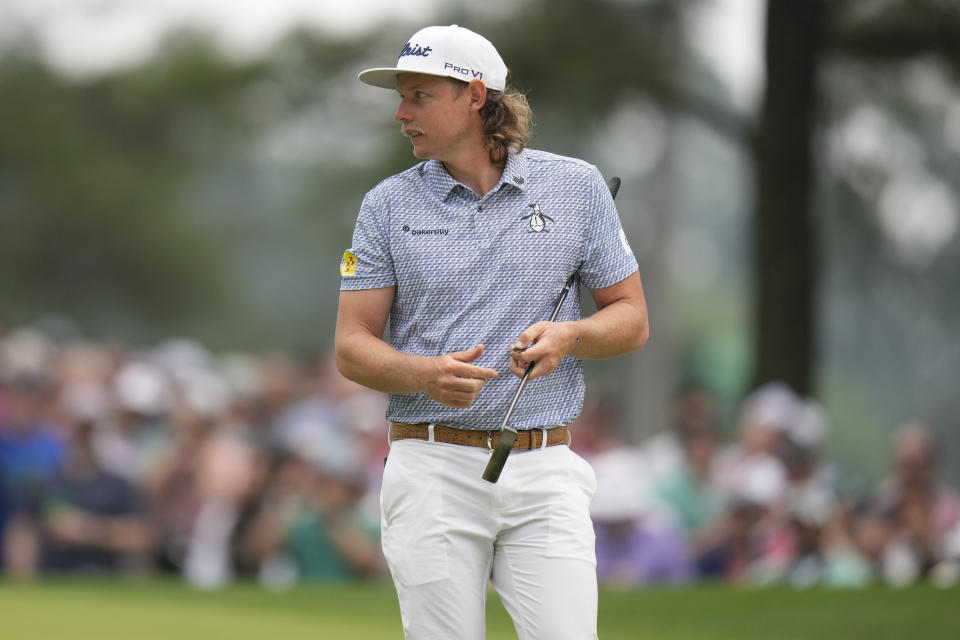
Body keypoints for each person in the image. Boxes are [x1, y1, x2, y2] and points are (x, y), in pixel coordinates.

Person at [335, 24, 648, 640]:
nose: (401, 114)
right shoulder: (386, 206)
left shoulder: (577, 188)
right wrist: (423, 373)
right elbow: (352, 345)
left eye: (419, 96)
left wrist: (571, 336)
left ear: (475, 97)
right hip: (431, 467)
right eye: (401, 97)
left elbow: (631, 318)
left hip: (544, 467)